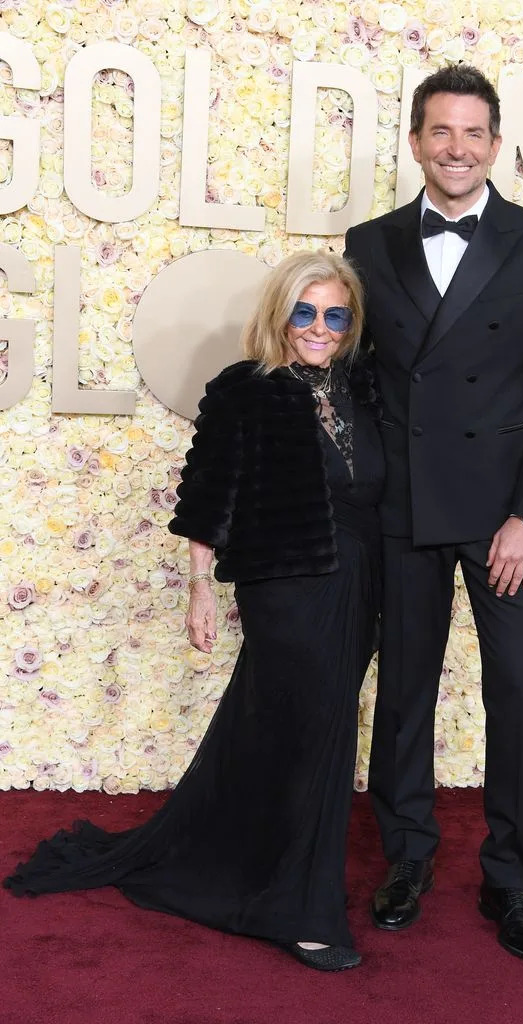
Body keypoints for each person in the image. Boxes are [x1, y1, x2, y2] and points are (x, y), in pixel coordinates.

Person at [4, 251, 383, 973]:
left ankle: (244, 866)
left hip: (360, 585)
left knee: (299, 734)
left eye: (335, 315)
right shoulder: (244, 390)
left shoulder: (365, 387)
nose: (319, 328)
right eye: (304, 312)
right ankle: (301, 909)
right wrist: (201, 588)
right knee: (315, 737)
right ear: (278, 313)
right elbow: (210, 498)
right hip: (286, 584)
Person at [344, 65, 523, 961]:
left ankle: (507, 876)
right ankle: (406, 858)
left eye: (473, 133)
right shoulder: (365, 242)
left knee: (513, 690)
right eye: (440, 132)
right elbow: (358, 381)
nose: (457, 148)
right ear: (415, 142)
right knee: (404, 691)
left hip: (503, 517)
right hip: (403, 502)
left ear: (495, 144)